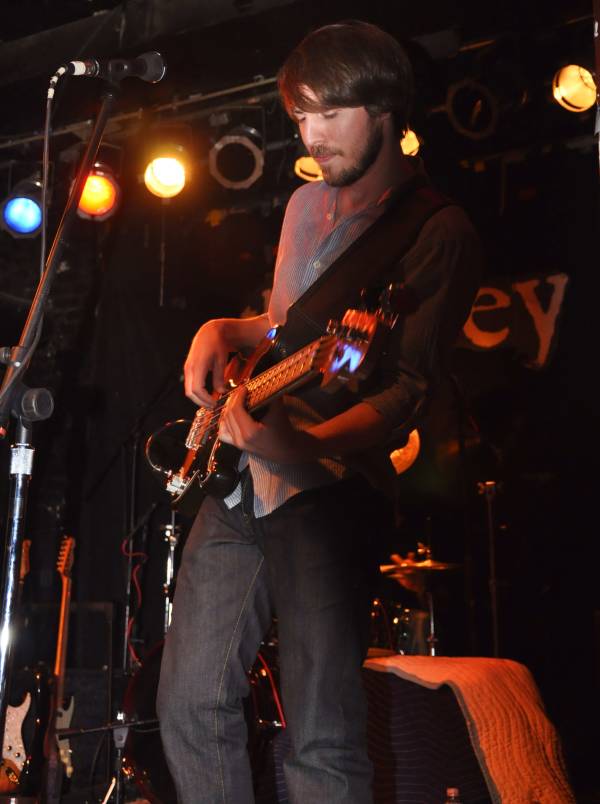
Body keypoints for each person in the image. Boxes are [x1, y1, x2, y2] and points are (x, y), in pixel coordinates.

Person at [157, 19, 482, 804]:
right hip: (240, 478)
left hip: (330, 489)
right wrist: (222, 329)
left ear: (385, 108)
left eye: (330, 113)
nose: (313, 134)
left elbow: (403, 397)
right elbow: (285, 325)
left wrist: (297, 447)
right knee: (189, 705)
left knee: (323, 735)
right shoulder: (304, 204)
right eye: (301, 115)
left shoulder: (437, 231)